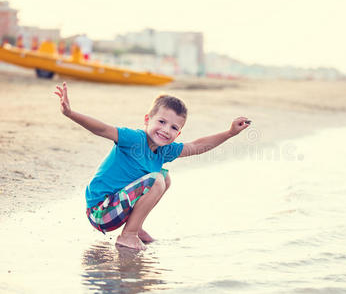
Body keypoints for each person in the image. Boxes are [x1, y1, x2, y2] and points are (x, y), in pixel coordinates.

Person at [53, 82, 250, 250]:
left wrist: (230, 133)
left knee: (164, 177)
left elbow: (197, 146)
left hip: (117, 207)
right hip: (100, 211)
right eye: (162, 122)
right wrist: (70, 113)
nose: (166, 130)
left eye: (174, 127)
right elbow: (103, 129)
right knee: (156, 180)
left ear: (178, 133)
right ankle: (128, 235)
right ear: (147, 120)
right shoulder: (134, 138)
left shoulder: (165, 150)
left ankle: (134, 227)